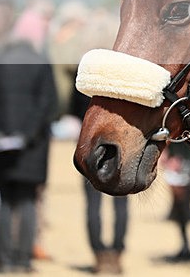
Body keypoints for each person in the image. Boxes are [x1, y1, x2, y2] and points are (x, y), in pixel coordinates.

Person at [0, 5, 58, 273]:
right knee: (26, 202)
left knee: (4, 202)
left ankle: (6, 259)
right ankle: (23, 260)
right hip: (32, 147)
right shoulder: (40, 61)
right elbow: (49, 104)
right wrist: (28, 134)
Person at [71, 80, 129, 274]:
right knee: (120, 204)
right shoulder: (126, 75)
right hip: (121, 144)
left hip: (91, 144)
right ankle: (116, 253)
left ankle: (100, 255)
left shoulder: (87, 74)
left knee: (93, 204)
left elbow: (74, 110)